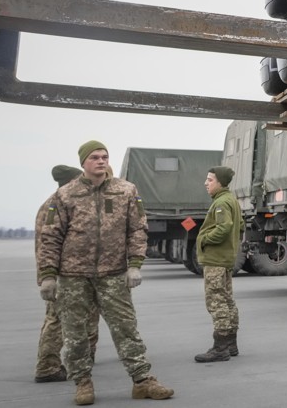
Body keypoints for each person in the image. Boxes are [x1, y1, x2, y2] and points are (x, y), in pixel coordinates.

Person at [37, 140, 174, 404]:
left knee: (126, 328)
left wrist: (135, 265)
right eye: (95, 157)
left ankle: (142, 381)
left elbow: (137, 229)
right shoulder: (65, 195)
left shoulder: (126, 190)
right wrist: (48, 275)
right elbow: (51, 235)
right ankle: (82, 383)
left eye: (104, 156)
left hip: (113, 273)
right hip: (74, 274)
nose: (101, 161)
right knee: (75, 332)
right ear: (83, 163)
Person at [34, 165, 100, 383]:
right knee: (57, 319)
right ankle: (48, 367)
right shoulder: (57, 204)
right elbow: (50, 244)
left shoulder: (57, 202)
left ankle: (73, 360)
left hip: (65, 272)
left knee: (68, 317)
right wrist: (49, 276)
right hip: (62, 274)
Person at [194, 166, 243, 363]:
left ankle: (220, 347)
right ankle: (231, 344)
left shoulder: (221, 202)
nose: (206, 183)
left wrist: (205, 239)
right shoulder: (231, 200)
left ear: (220, 182)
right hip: (225, 259)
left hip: (216, 259)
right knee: (227, 299)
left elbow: (225, 227)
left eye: (210, 180)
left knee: (216, 300)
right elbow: (240, 226)